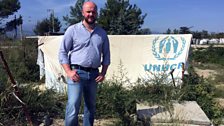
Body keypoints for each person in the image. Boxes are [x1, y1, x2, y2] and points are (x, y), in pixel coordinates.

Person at [58, 1, 110, 126]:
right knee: (73, 106)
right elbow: (62, 52)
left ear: (97, 13)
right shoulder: (73, 30)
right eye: (88, 11)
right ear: (83, 13)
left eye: (93, 11)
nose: (91, 14)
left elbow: (107, 55)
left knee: (91, 107)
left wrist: (103, 73)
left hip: (93, 75)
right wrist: (69, 71)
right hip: (77, 73)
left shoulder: (102, 33)